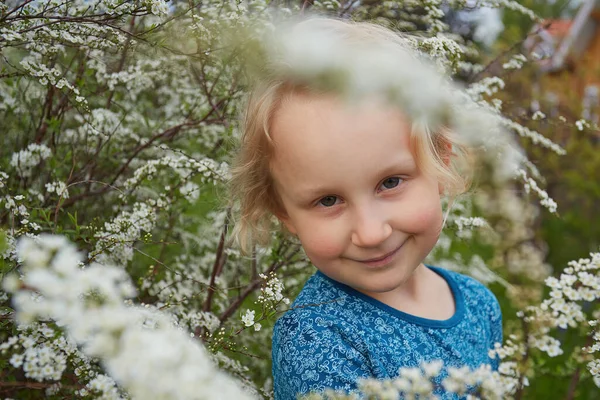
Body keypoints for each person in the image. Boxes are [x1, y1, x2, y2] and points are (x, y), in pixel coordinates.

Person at [229, 17, 503, 399]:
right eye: (328, 200)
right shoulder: (317, 340)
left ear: (440, 162)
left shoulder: (479, 306)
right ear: (284, 212)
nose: (371, 233)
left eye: (390, 182)